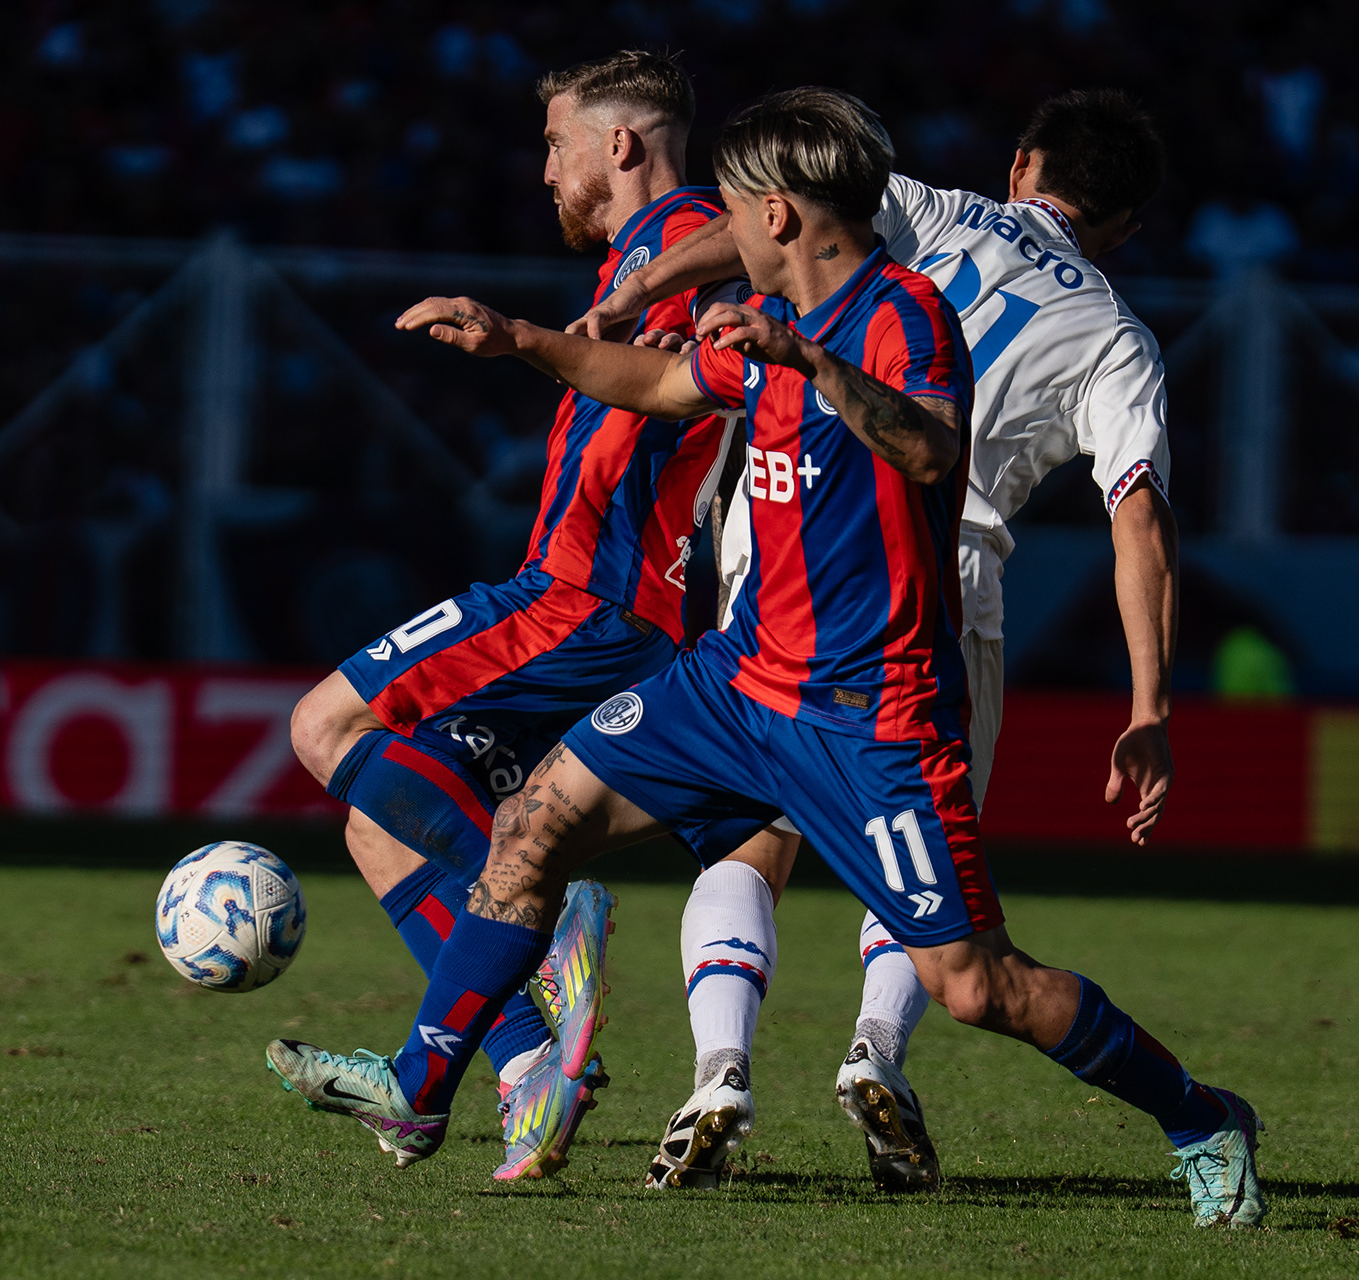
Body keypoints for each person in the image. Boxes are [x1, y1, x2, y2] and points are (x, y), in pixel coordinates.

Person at [271, 86, 1266, 1230]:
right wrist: (522, 341)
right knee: (533, 823)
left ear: (783, 216)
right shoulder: (773, 309)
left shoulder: (903, 313)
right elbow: (654, 382)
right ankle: (422, 1087)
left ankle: (1200, 1116)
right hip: (738, 679)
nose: (718, 233)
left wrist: (808, 360)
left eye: (735, 213)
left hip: (874, 712)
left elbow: (932, 447)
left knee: (978, 984)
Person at [581, 89, 1189, 1194]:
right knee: (914, 868)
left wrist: (640, 287)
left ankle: (720, 1064)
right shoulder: (1118, 338)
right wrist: (1148, 705)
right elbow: (1137, 514)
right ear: (1126, 228)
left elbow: (759, 217)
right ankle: (877, 1048)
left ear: (1022, 164)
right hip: (938, 586)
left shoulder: (927, 209)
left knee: (751, 838)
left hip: (789, 535)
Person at [276, 49, 752, 1181]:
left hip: (588, 596)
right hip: (588, 595)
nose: (543, 170)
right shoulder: (645, 257)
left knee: (325, 730)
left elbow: (765, 232)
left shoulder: (693, 235)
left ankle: (543, 932)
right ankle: (533, 1053)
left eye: (556, 142)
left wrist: (664, 301)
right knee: (376, 823)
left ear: (622, 144)